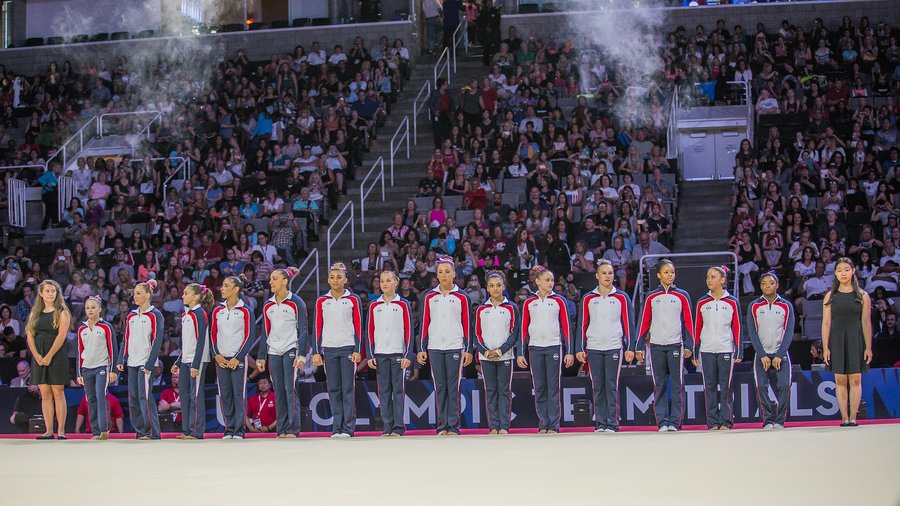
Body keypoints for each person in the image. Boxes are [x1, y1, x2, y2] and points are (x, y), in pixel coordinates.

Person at [629, 259, 694, 432]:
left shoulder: (682, 295)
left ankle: (675, 421)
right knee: (659, 384)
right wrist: (639, 346)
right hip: (656, 345)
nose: (670, 275)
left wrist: (689, 345)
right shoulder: (651, 296)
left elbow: (689, 322)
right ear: (658, 275)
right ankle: (662, 421)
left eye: (672, 272)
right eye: (666, 272)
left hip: (675, 345)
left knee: (677, 384)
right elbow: (644, 322)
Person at [576, 260, 634, 433]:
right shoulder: (588, 298)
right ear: (597, 276)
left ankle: (612, 423)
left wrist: (630, 347)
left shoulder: (621, 297)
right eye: (604, 273)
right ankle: (600, 423)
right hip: (593, 347)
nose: (607, 276)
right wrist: (580, 348)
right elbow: (582, 325)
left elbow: (628, 324)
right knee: (597, 384)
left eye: (610, 273)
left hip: (614, 346)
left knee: (611, 384)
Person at [417, 256, 473, 436]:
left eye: (447, 272)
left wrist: (469, 349)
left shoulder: (462, 296)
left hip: (455, 346)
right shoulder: (429, 297)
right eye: (440, 272)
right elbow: (424, 323)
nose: (444, 275)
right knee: (440, 386)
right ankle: (443, 425)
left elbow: (467, 324)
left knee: (453, 386)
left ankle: (453, 425)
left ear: (454, 274)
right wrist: (421, 348)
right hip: (434, 347)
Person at [518, 266, 574, 434]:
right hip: (534, 347)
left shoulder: (559, 301)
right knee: (540, 386)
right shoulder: (529, 302)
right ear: (537, 281)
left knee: (553, 386)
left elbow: (566, 328)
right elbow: (523, 329)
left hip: (553, 347)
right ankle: (543, 423)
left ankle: (553, 424)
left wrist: (569, 351)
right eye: (547, 280)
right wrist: (521, 352)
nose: (551, 283)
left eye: (552, 280)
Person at [312, 263, 363, 438]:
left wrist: (357, 348)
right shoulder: (322, 301)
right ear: (328, 280)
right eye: (332, 277)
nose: (335, 280)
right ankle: (337, 427)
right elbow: (317, 327)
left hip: (348, 347)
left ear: (346, 280)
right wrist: (317, 351)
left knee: (347, 388)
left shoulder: (353, 299)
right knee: (333, 388)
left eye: (339, 277)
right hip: (329, 348)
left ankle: (348, 427)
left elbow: (358, 326)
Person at [257, 267, 308, 438]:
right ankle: (282, 429)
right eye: (271, 279)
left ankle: (292, 429)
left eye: (274, 279)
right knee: (278, 390)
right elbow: (265, 332)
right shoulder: (268, 305)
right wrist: (261, 356)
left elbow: (303, 329)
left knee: (289, 389)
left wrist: (302, 354)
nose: (270, 282)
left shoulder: (296, 302)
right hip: (273, 351)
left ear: (285, 281)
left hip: (290, 349)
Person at [822, 258, 873, 427]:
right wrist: (825, 346)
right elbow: (826, 323)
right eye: (839, 270)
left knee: (855, 380)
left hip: (856, 338)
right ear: (835, 274)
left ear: (853, 271)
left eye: (846, 269)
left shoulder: (862, 295)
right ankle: (844, 418)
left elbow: (866, 322)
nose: (843, 273)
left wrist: (868, 347)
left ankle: (853, 418)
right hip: (836, 339)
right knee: (840, 380)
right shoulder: (830, 296)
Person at [693, 266, 742, 431]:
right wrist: (695, 351)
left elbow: (737, 327)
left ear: (722, 280)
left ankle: (726, 421)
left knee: (726, 386)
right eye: (708, 277)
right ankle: (712, 421)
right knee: (710, 386)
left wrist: (739, 350)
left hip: (725, 348)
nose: (709, 280)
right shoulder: (702, 302)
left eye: (713, 277)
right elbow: (697, 328)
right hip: (706, 349)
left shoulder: (732, 302)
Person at [366, 270, 414, 436]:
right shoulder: (374, 305)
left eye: (388, 280)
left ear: (396, 283)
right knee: (384, 392)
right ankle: (387, 427)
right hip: (380, 354)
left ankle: (398, 428)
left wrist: (408, 355)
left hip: (398, 354)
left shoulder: (403, 304)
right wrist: (371, 355)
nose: (384, 284)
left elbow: (408, 331)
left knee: (398, 392)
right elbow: (370, 332)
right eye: (382, 281)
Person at [747, 271, 795, 429]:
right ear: (760, 286)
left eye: (771, 283)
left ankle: (780, 420)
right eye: (764, 283)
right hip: (762, 355)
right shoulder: (754, 306)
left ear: (777, 285)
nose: (767, 285)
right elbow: (752, 332)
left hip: (780, 354)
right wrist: (762, 355)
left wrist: (779, 355)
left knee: (784, 385)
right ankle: (767, 420)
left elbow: (788, 332)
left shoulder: (786, 306)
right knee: (761, 386)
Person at [116, 280, 164, 440]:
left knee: (145, 397)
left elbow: (157, 340)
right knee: (134, 398)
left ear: (147, 295)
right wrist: (121, 359)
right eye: (134, 293)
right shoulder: (131, 315)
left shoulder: (155, 315)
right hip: (132, 362)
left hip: (146, 362)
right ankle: (140, 431)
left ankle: (152, 432)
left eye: (138, 293)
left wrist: (150, 363)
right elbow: (126, 339)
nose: (134, 296)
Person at [473, 271, 520, 435]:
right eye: (491, 285)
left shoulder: (511, 307)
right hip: (485, 357)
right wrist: (485, 352)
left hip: (505, 356)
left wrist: (501, 350)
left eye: (498, 285)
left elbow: (515, 333)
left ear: (503, 287)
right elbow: (476, 334)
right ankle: (493, 426)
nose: (495, 288)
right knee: (491, 390)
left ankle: (504, 426)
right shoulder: (481, 309)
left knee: (504, 390)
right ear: (487, 287)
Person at [25, 279, 72, 440]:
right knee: (44, 393)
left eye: (53, 291)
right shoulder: (35, 312)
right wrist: (37, 356)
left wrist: (49, 355)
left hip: (56, 355)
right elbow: (30, 335)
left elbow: (61, 335)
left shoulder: (62, 311)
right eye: (47, 291)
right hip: (39, 355)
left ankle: (61, 430)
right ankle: (48, 431)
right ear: (41, 293)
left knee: (58, 391)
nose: (50, 293)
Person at [211, 276, 256, 439]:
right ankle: (228, 429)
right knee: (225, 395)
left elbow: (249, 336)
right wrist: (216, 355)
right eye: (222, 285)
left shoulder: (245, 310)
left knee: (238, 394)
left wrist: (239, 357)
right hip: (221, 359)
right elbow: (213, 335)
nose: (222, 288)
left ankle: (238, 430)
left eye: (226, 286)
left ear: (236, 289)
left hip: (238, 359)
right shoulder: (218, 310)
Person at [171, 283, 215, 440]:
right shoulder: (186, 315)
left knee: (195, 395)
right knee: (184, 395)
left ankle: (196, 431)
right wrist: (178, 360)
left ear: (196, 297)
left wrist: (196, 364)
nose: (183, 296)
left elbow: (201, 340)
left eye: (186, 293)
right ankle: (187, 430)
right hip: (185, 359)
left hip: (197, 360)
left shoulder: (199, 314)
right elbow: (187, 342)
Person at [75, 296, 117, 440]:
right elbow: (80, 352)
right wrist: (78, 372)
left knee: (100, 395)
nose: (90, 310)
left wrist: (113, 370)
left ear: (100, 309)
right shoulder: (82, 328)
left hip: (102, 366)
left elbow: (113, 349)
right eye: (88, 308)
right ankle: (95, 431)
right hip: (87, 368)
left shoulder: (106, 326)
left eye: (93, 307)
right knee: (90, 398)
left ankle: (104, 429)